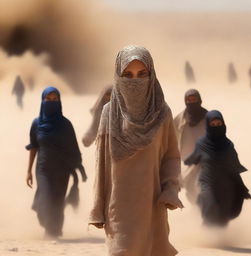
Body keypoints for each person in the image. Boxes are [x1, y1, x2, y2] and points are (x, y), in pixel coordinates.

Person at [89, 45, 183, 256]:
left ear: (151, 75)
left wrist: (170, 189)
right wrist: (97, 208)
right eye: (128, 75)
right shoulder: (109, 113)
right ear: (118, 76)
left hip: (151, 206)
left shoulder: (162, 113)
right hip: (118, 208)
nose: (135, 81)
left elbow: (171, 156)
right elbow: (101, 164)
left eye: (142, 74)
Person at [26, 87, 86, 238]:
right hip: (43, 169)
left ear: (59, 101)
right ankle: (47, 226)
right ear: (43, 101)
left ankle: (53, 231)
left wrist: (78, 167)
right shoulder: (36, 123)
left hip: (62, 170)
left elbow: (74, 147)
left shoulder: (65, 124)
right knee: (45, 199)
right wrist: (28, 171)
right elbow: (33, 147)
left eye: (55, 99)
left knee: (58, 202)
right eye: (48, 99)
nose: (51, 102)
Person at [184, 110, 251, 227]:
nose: (216, 127)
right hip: (207, 182)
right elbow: (193, 158)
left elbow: (234, 167)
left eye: (218, 124)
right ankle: (204, 235)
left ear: (223, 124)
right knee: (210, 206)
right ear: (208, 126)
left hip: (225, 183)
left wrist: (242, 188)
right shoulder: (201, 144)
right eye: (213, 124)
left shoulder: (228, 145)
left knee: (226, 212)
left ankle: (219, 238)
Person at [174, 89, 207, 203]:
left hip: (205, 159)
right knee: (189, 185)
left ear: (199, 100)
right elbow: (172, 137)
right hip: (187, 161)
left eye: (194, 100)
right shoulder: (180, 118)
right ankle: (196, 209)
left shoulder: (208, 117)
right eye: (189, 100)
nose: (191, 102)